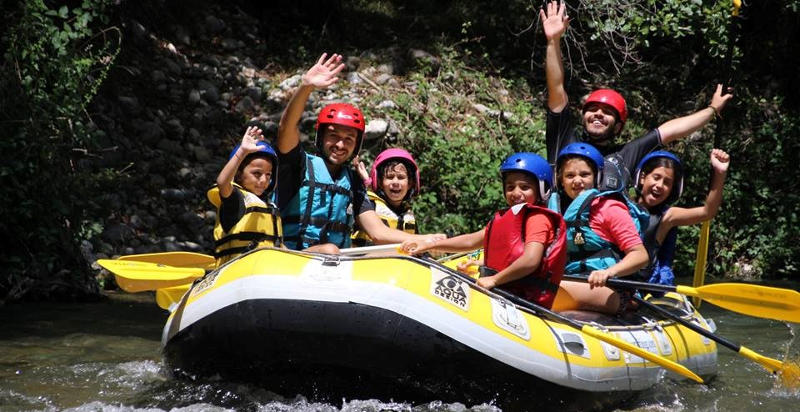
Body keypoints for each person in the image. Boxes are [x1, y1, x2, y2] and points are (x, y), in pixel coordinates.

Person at [540, 0, 733, 190]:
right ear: (584, 117)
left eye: (607, 112)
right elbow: (556, 87)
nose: (598, 113)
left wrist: (712, 110)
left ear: (617, 127)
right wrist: (553, 41)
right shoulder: (564, 139)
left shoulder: (625, 154)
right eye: (592, 109)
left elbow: (670, 131)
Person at [276, 53, 440, 253]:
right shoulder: (298, 165)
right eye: (333, 136)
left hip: (334, 266)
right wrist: (306, 87)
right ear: (320, 138)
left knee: (333, 251)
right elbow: (286, 128)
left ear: (357, 145)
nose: (340, 144)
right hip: (291, 258)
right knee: (329, 250)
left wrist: (430, 240)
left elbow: (378, 233)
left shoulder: (353, 182)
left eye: (348, 139)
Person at [402, 153, 567, 309]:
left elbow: (531, 260)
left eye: (524, 187)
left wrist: (494, 280)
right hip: (503, 290)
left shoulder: (538, 219)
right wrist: (428, 245)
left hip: (523, 300)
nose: (516, 193)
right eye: (510, 187)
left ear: (542, 189)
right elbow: (470, 241)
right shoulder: (506, 218)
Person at [548, 143, 650, 314]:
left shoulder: (609, 208)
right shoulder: (557, 213)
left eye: (585, 174)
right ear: (561, 180)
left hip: (613, 288)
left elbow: (640, 256)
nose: (577, 180)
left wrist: (608, 272)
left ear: (597, 177)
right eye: (570, 175)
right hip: (573, 280)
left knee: (545, 290)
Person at [633, 149, 730, 285]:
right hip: (613, 277)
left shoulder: (669, 217)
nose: (659, 185)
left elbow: (708, 212)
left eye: (667, 182)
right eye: (656, 177)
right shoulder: (621, 206)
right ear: (643, 178)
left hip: (638, 286)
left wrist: (719, 173)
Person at [207, 126, 282, 267]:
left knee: (327, 250)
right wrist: (242, 152)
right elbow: (222, 182)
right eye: (257, 174)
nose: (264, 180)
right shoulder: (236, 200)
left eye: (268, 175)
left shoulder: (269, 206)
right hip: (236, 274)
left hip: (266, 270)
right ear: (239, 174)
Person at [351, 148, 420, 246]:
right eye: (389, 177)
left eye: (401, 177)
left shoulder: (408, 215)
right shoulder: (368, 206)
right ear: (380, 182)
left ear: (410, 184)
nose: (395, 182)